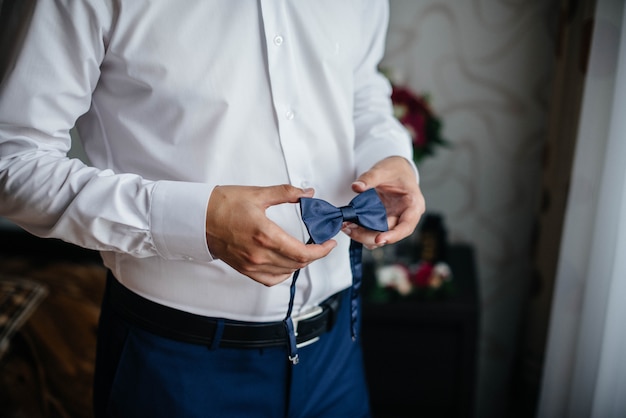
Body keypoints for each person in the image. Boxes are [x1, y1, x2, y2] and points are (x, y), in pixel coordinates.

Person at [0, 1, 425, 417]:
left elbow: (362, 89)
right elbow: (13, 160)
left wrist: (391, 153)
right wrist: (195, 223)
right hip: (175, 363)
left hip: (336, 351)